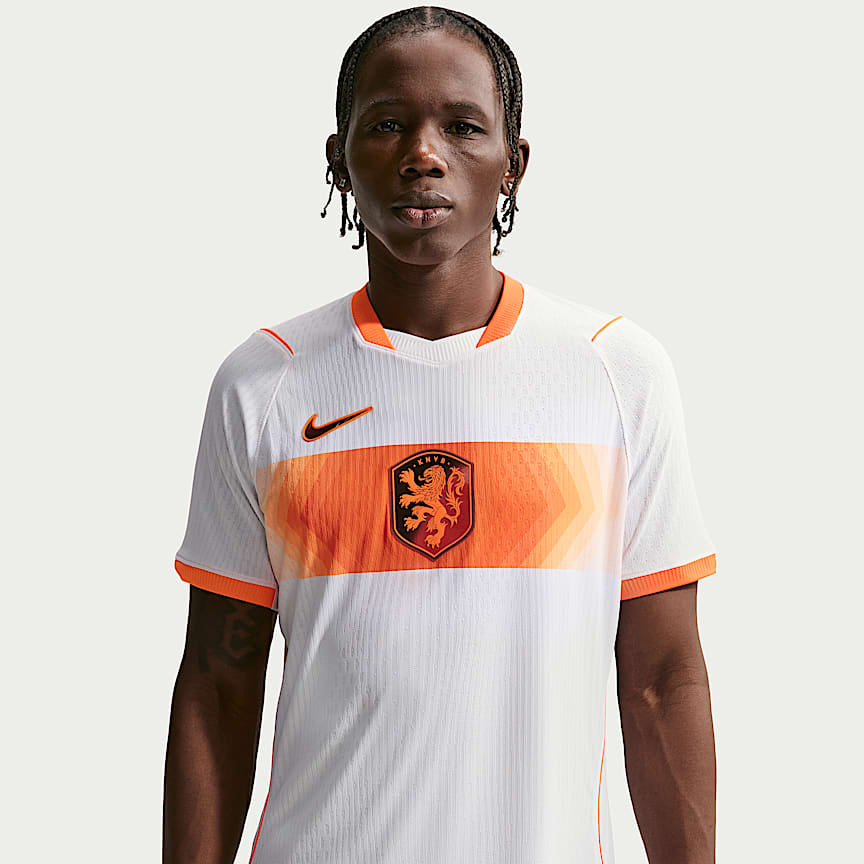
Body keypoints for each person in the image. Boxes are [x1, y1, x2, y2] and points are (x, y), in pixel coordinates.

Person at [163, 6, 718, 864]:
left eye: (462, 126)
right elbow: (218, 683)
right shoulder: (265, 383)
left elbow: (660, 680)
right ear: (339, 159)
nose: (423, 154)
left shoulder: (615, 372)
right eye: (387, 124)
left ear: (513, 163)